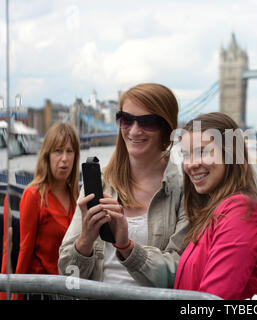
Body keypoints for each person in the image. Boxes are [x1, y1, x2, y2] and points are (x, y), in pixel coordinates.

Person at [58, 83, 189, 288]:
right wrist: (85, 240)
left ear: (167, 128)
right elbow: (68, 273)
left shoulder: (184, 192)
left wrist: (127, 247)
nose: (135, 131)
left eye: (148, 122)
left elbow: (180, 273)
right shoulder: (99, 185)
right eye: (126, 120)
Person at [174, 112, 257, 300]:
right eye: (186, 155)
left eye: (203, 152)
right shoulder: (215, 211)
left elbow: (213, 299)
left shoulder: (240, 211)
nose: (191, 164)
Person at [4, 122, 80, 299]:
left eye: (70, 151)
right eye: (58, 151)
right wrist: (16, 296)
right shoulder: (34, 195)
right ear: (47, 155)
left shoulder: (77, 197)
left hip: (70, 289)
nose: (64, 159)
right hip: (41, 291)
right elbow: (25, 250)